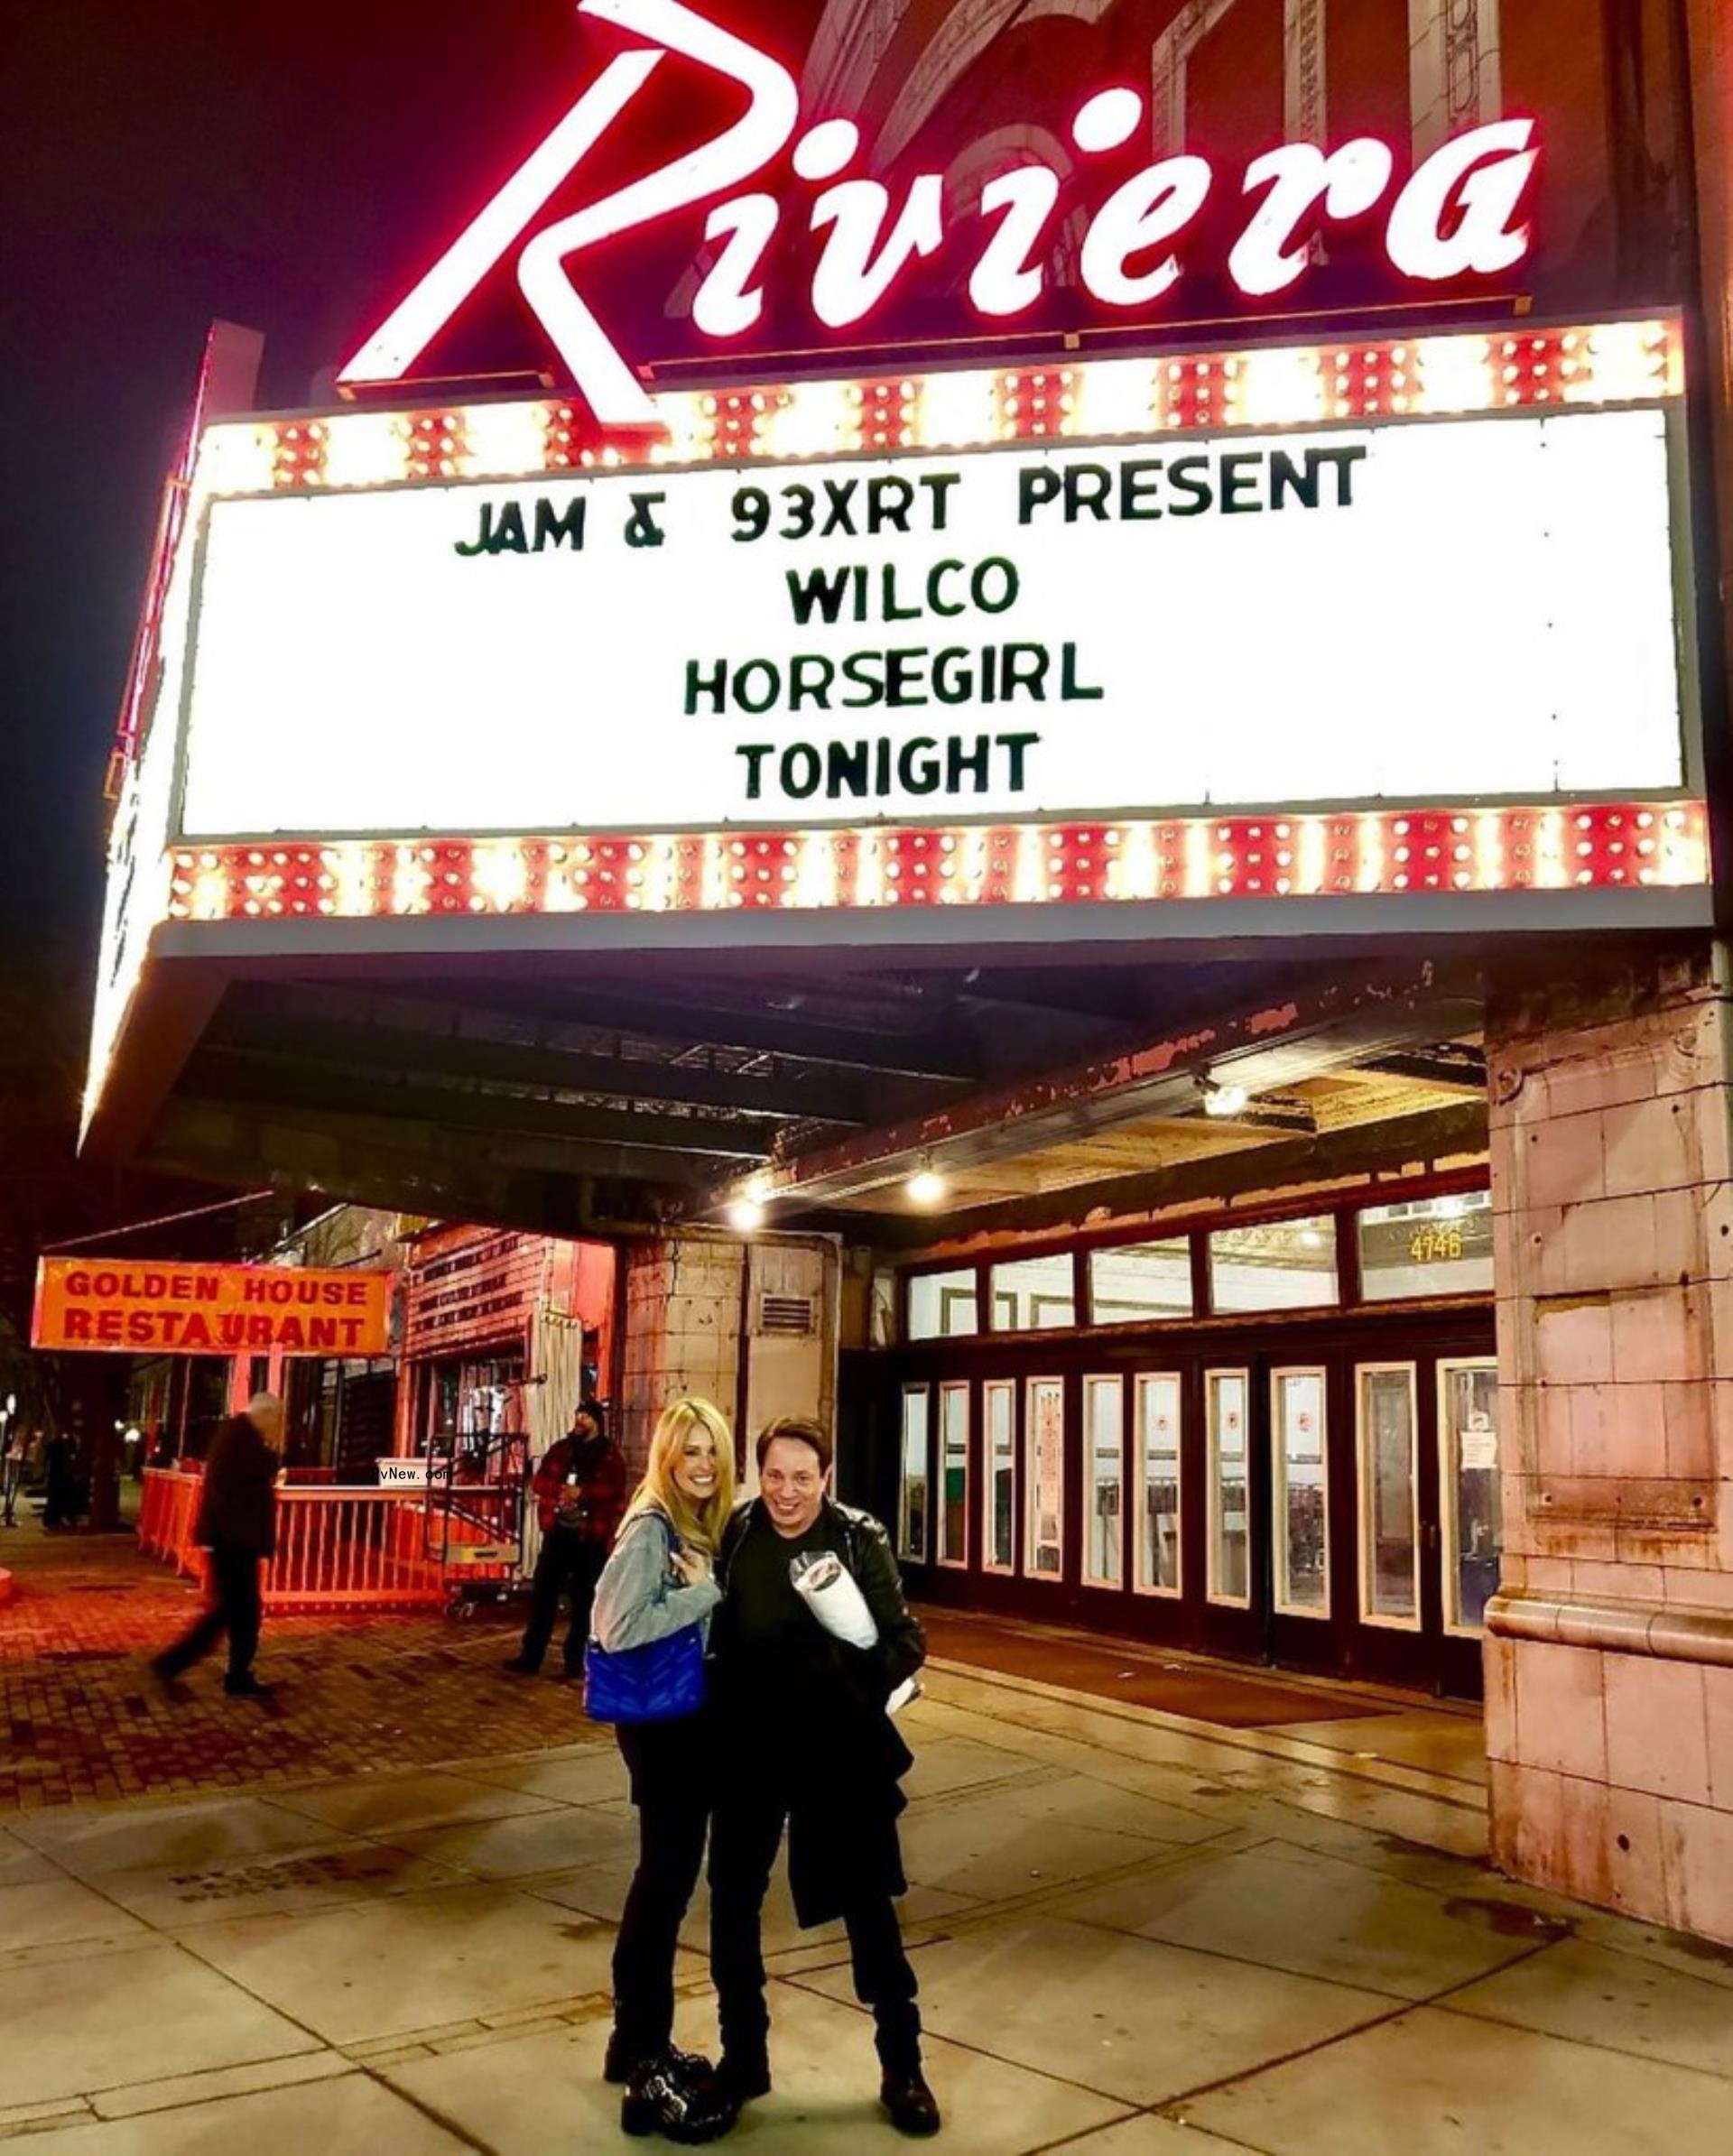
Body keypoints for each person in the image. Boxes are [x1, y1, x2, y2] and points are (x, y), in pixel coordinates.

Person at [708, 1416, 940, 2137]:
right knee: (731, 1904)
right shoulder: (737, 1536)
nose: (787, 1491)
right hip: (750, 1754)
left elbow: (907, 1641)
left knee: (871, 1912)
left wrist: (857, 1681)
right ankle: (743, 2057)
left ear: (826, 1477)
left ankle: (902, 2065)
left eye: (803, 1476)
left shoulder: (856, 1537)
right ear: (758, 1474)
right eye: (774, 1474)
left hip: (839, 1755)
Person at [590, 1396, 738, 2142]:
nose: (704, 1465)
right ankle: (643, 2044)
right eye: (690, 1453)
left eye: (712, 1451)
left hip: (687, 1725)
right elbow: (614, 1627)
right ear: (667, 1459)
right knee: (664, 1884)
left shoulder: (692, 1523)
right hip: (663, 1730)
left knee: (667, 1881)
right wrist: (706, 1593)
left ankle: (633, 2043)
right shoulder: (653, 1525)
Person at [152, 1393, 283, 1698]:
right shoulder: (243, 1439)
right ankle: (181, 1665)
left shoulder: (235, 1435)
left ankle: (231, 1673)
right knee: (235, 1611)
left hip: (231, 1539)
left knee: (235, 1612)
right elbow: (253, 1477)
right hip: (234, 1541)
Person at [505, 1399, 626, 1677]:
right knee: (543, 1594)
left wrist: (582, 1493)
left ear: (597, 1421)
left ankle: (575, 1661)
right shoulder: (562, 1449)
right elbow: (539, 1481)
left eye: (586, 1416)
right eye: (578, 1415)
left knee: (585, 1601)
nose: (580, 1420)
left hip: (590, 1537)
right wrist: (558, 1490)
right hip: (559, 1532)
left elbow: (614, 1490)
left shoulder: (608, 1455)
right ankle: (531, 1656)